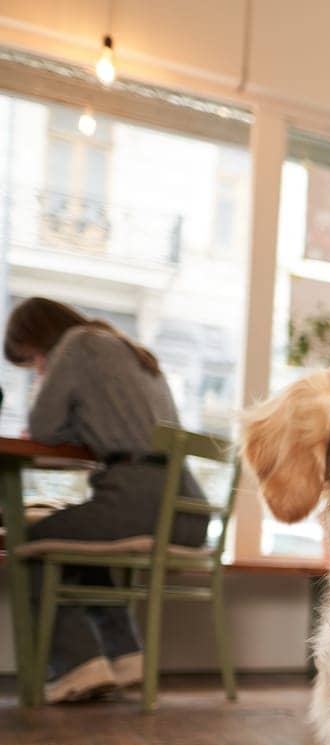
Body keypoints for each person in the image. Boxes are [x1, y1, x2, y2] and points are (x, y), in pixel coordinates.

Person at [3, 297, 206, 703]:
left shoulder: (77, 344)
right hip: (187, 507)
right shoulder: (130, 349)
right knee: (76, 545)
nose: (40, 369)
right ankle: (124, 655)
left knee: (24, 540)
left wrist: (50, 386)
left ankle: (77, 664)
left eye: (36, 360)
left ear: (41, 338)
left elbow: (42, 426)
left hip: (137, 498)